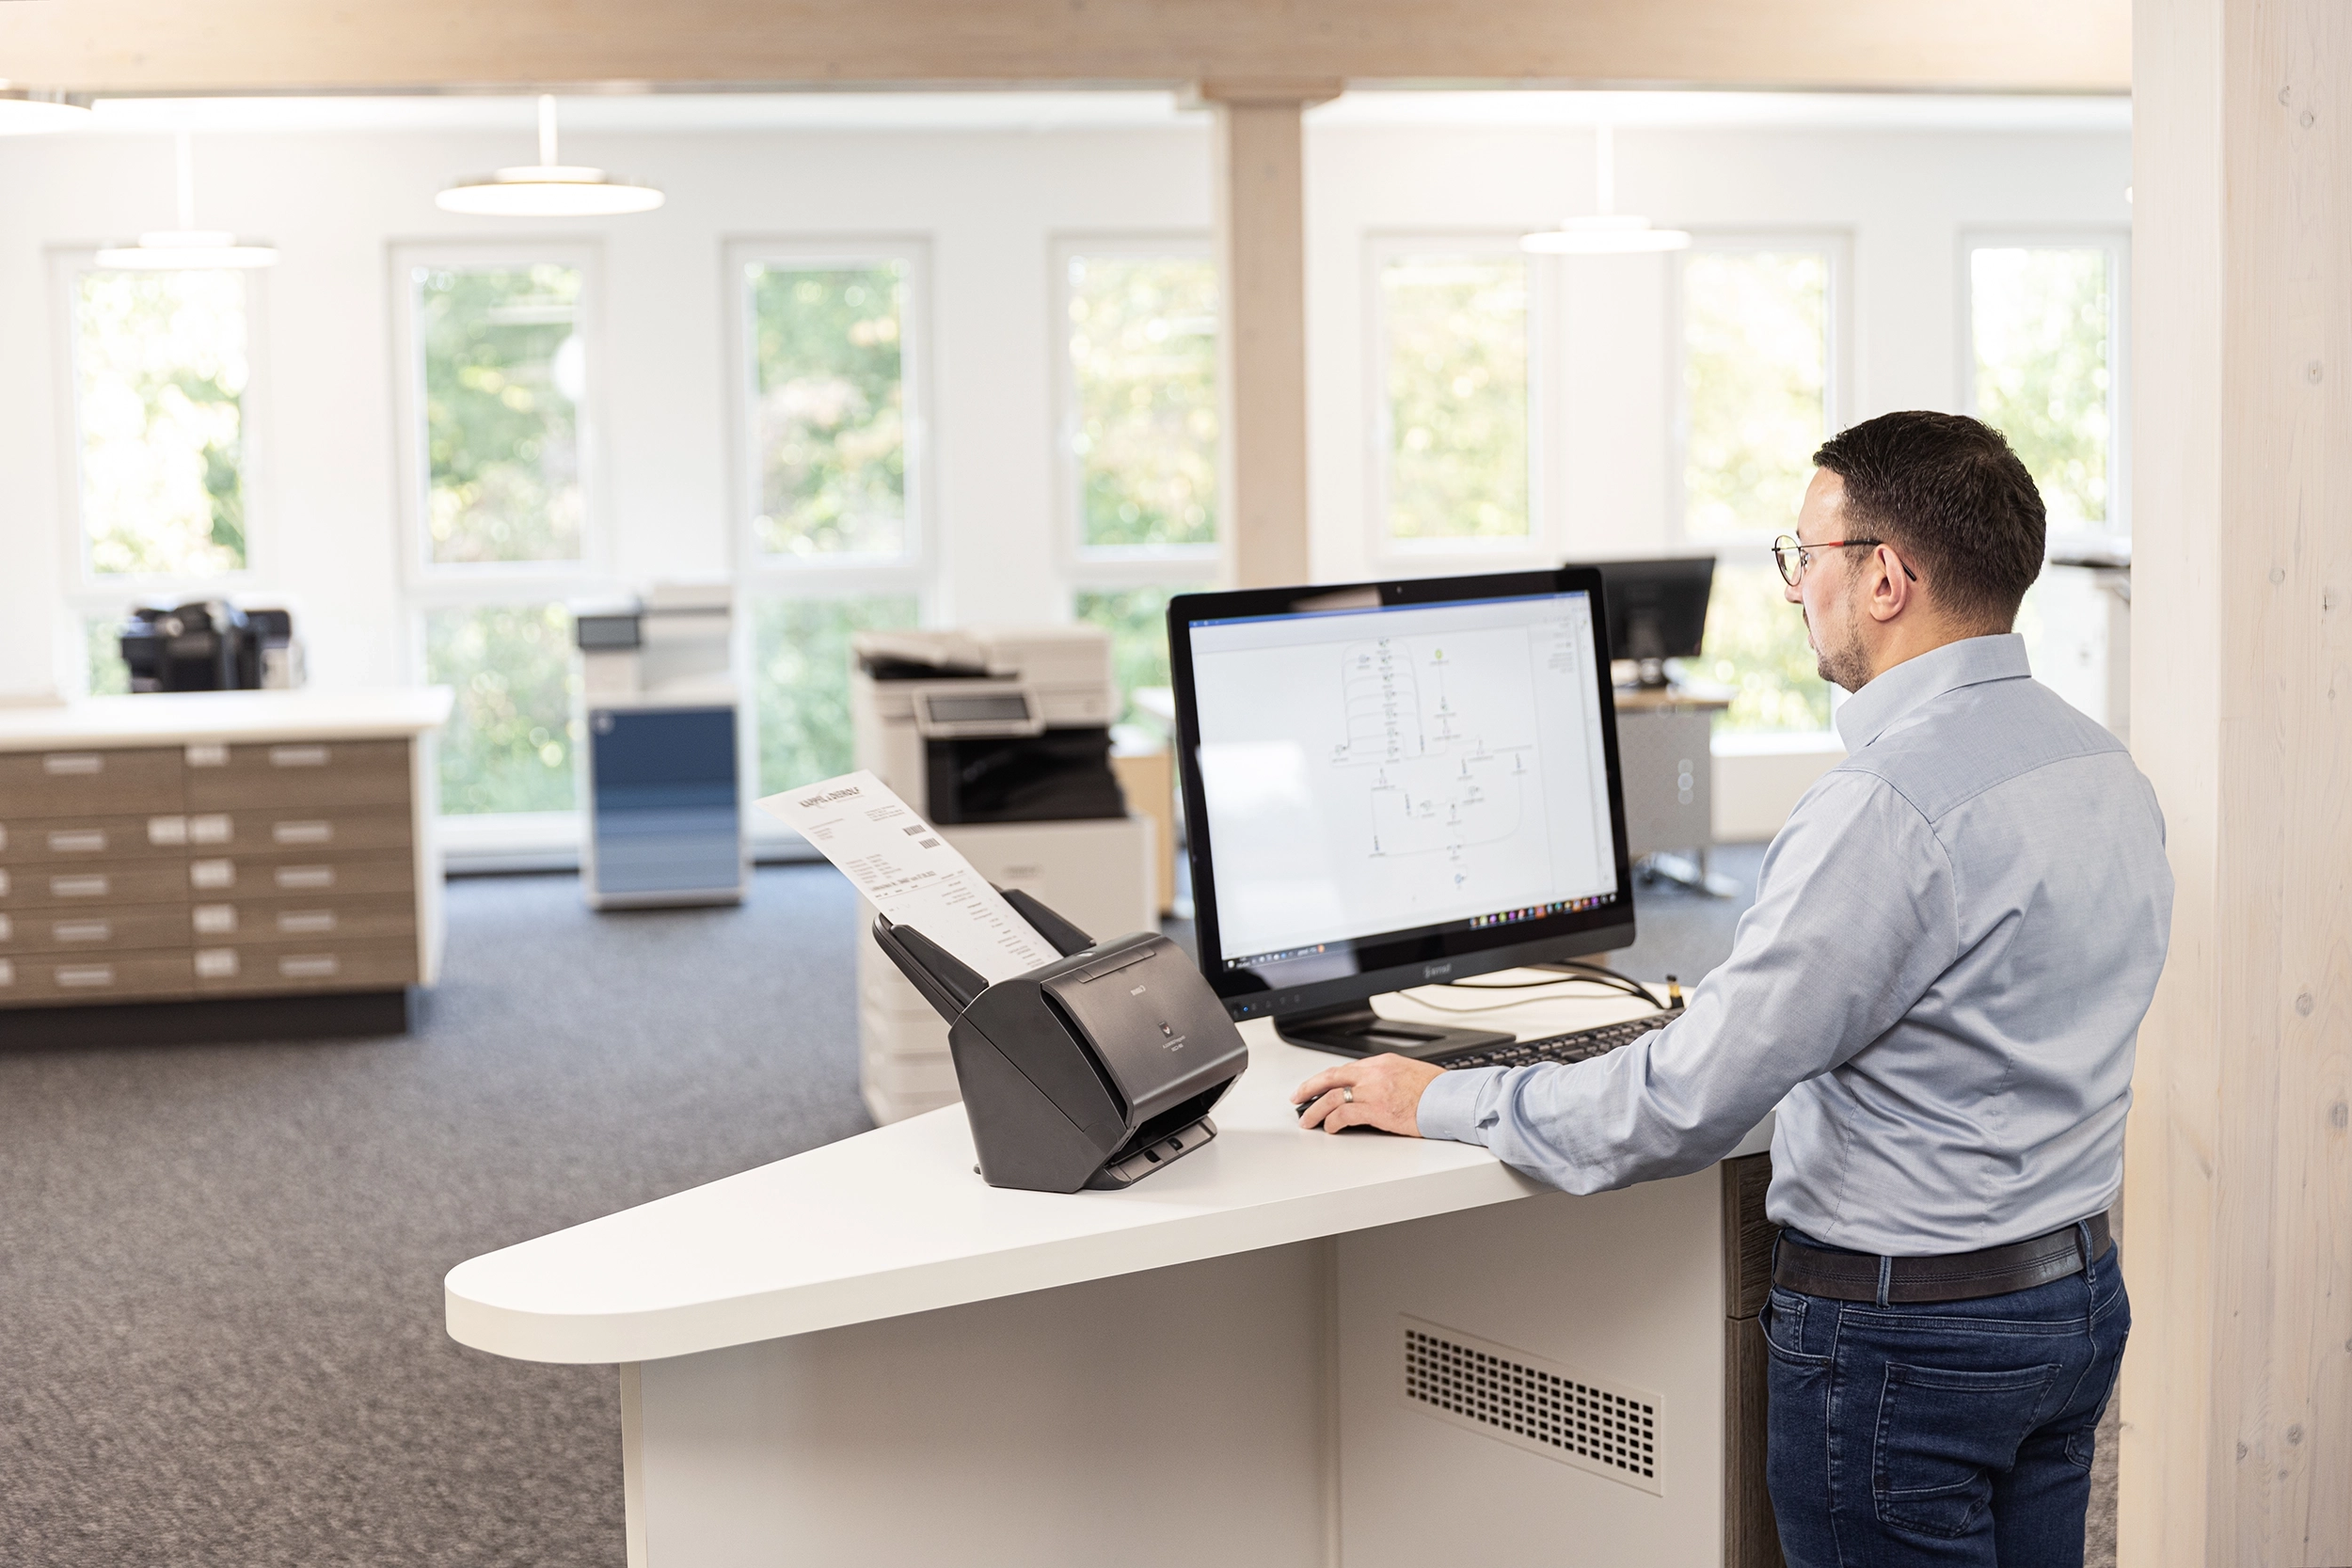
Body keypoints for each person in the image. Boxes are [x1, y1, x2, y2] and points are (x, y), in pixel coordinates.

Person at [1295, 410, 2172, 1568]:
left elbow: (1681, 1100)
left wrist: (1439, 1096)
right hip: (2072, 1300)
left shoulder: (1884, 807)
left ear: (1885, 578)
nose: (1793, 585)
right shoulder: (2099, 763)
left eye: (1804, 554)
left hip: (1910, 1342)